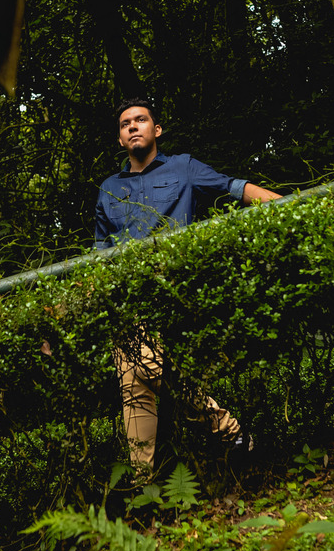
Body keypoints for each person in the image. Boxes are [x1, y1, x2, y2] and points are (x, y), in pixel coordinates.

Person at [95, 97, 282, 473]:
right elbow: (100, 252)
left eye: (141, 120)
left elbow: (233, 186)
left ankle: (228, 429)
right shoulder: (108, 189)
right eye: (125, 123)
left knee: (147, 366)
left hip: (174, 291)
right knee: (134, 392)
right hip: (125, 298)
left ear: (156, 129)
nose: (133, 126)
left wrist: (289, 205)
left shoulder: (184, 167)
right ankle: (142, 483)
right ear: (119, 139)